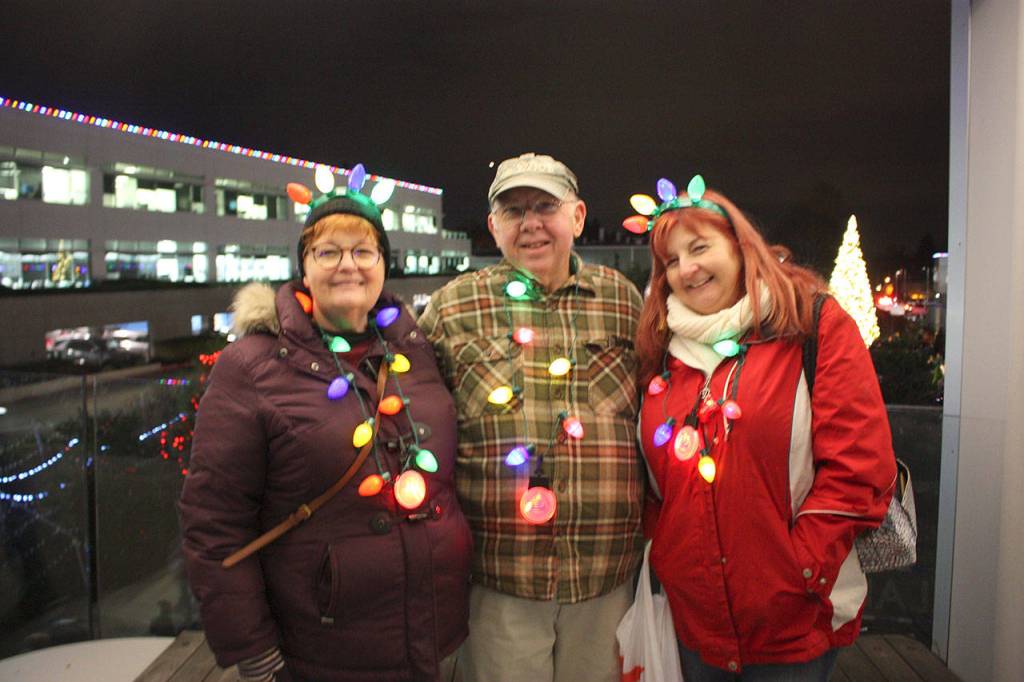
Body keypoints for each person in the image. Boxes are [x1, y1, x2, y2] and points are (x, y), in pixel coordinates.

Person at [180, 167, 471, 682]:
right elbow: (215, 522)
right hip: (322, 649)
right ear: (303, 267)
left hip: (436, 635)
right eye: (328, 252)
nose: (348, 266)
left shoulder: (416, 351)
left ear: (383, 264)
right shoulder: (252, 366)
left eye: (363, 252)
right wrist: (253, 648)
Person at [629, 175, 897, 680]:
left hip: (794, 625)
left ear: (739, 246)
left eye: (699, 247)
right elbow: (653, 484)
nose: (686, 269)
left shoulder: (811, 325)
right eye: (670, 261)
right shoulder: (661, 351)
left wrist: (798, 571)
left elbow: (860, 469)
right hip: (695, 624)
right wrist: (670, 555)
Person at [419, 153, 645, 682]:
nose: (532, 223)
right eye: (514, 210)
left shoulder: (623, 302)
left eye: (546, 206)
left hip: (606, 576)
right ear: (494, 225)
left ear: (579, 217)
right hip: (501, 580)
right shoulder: (454, 308)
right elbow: (402, 405)